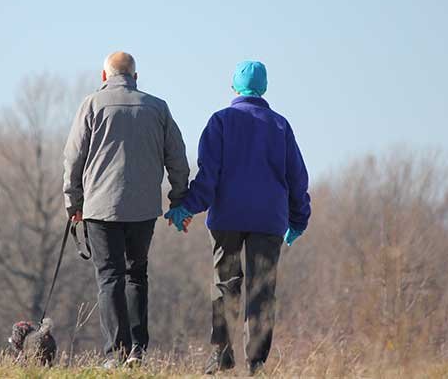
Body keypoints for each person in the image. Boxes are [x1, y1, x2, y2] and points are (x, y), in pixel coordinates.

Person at [165, 60, 311, 376]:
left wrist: (187, 207)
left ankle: (221, 354)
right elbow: (297, 178)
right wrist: (299, 220)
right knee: (262, 290)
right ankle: (256, 364)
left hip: (226, 218)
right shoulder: (280, 125)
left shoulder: (220, 121)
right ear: (265, 88)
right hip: (269, 221)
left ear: (233, 87)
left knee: (225, 285)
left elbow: (208, 176)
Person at [63, 51, 190, 368]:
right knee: (137, 275)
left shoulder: (91, 105)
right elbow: (177, 158)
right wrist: (178, 199)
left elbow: (73, 158)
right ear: (136, 76)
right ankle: (137, 351)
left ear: (104, 76)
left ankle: (114, 354)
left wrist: (73, 203)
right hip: (144, 208)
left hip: (100, 208)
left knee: (110, 278)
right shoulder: (157, 107)